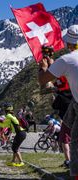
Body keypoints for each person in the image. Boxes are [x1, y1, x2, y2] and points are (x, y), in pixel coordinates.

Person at [38, 24, 78, 178]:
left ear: (68, 43)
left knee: (74, 142)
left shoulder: (66, 59)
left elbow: (43, 80)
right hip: (74, 102)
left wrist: (43, 67)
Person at [0, 103, 26, 167]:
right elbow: (7, 125)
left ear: (7, 109)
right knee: (14, 147)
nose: (4, 109)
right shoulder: (12, 115)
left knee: (15, 148)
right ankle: (13, 162)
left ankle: (21, 162)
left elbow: (4, 125)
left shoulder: (8, 116)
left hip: (20, 133)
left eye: (5, 108)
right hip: (21, 133)